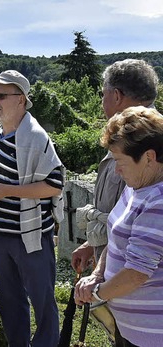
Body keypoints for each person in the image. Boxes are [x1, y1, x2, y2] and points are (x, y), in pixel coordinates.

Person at [0, 70, 64, 346]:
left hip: (30, 238)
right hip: (1, 236)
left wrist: (6, 191)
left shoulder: (36, 137)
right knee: (10, 306)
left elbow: (55, 185)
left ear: (21, 99)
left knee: (44, 305)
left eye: (1, 95)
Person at [74, 106, 163, 347]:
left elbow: (137, 273)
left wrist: (95, 294)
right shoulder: (135, 187)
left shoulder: (158, 202)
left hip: (152, 336)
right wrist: (98, 274)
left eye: (120, 161)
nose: (116, 169)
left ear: (148, 157)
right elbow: (115, 239)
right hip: (129, 330)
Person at [71, 59, 160, 272]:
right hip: (115, 263)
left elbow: (146, 225)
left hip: (133, 275)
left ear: (117, 96)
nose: (102, 102)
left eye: (103, 94)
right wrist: (92, 243)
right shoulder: (129, 133)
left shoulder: (150, 139)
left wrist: (101, 281)